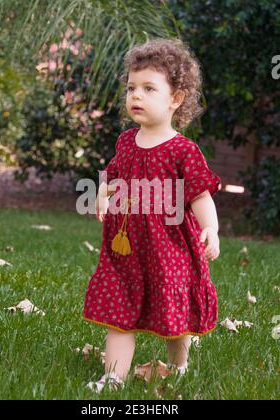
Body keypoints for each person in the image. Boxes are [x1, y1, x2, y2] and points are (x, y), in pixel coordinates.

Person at [83, 38, 221, 393]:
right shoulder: (127, 141)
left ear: (175, 99)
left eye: (148, 88)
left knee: (174, 316)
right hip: (126, 251)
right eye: (131, 88)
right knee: (119, 313)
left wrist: (211, 229)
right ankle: (113, 377)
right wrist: (102, 193)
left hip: (168, 250)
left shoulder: (183, 150)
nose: (136, 96)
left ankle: (179, 365)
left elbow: (200, 194)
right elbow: (113, 175)